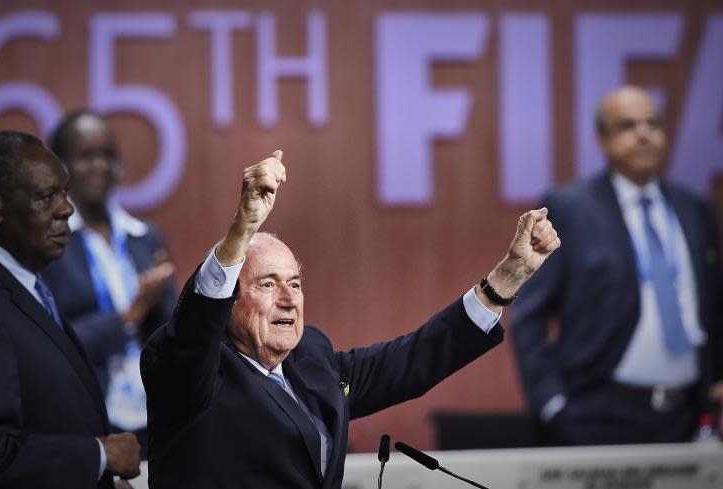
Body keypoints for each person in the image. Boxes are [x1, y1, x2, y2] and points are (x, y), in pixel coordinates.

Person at [140, 149, 561, 488]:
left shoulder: (311, 359)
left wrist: (507, 278)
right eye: (268, 285)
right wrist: (242, 229)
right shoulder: (188, 370)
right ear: (228, 301)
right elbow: (195, 324)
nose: (289, 299)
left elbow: (410, 361)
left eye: (296, 284)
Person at [511, 85, 723, 445]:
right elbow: (529, 314)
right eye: (627, 126)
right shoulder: (571, 208)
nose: (643, 134)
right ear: (603, 140)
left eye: (652, 123)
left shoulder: (694, 209)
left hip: (689, 416)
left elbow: (714, 306)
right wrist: (550, 403)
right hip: (598, 413)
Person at [0, 131, 141, 488]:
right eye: (46, 196)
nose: (66, 209)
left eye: (64, 192)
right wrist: (100, 455)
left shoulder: (26, 284)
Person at [43, 111, 177, 454]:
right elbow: (50, 342)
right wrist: (130, 314)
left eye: (108, 155)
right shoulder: (48, 242)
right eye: (86, 156)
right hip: (87, 416)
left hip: (156, 412)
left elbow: (173, 333)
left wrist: (162, 302)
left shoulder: (145, 237)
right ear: (59, 166)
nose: (100, 166)